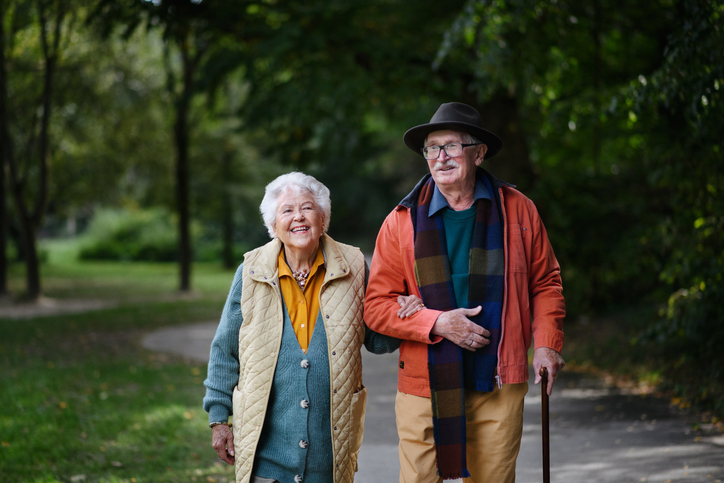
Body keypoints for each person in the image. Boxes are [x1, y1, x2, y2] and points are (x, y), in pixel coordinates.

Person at [365, 102, 566, 482]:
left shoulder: (518, 210)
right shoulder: (400, 221)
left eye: (452, 146)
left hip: (498, 378)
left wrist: (546, 345)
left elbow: (545, 283)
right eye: (432, 148)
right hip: (424, 381)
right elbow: (376, 306)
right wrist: (437, 321)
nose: (441, 158)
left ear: (479, 151)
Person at [203, 172, 399, 483]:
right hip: (266, 457)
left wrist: (400, 310)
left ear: (323, 218)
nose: (299, 217)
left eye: (307, 208)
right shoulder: (251, 272)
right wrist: (219, 419)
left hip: (329, 453)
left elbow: (379, 341)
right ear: (273, 226)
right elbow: (225, 348)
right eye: (287, 210)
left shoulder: (354, 266)